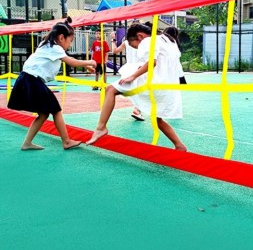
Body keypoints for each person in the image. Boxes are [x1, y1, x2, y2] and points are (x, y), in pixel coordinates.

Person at [87, 22, 187, 151]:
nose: (137, 48)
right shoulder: (167, 39)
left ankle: (101, 128)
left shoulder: (148, 40)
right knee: (157, 118)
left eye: (136, 45)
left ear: (140, 36)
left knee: (110, 89)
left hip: (154, 83)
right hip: (167, 86)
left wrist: (133, 76)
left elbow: (152, 63)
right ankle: (179, 145)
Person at [7, 17, 96, 150]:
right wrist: (89, 62)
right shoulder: (55, 48)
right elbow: (71, 61)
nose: (70, 45)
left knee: (44, 113)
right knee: (56, 109)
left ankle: (27, 143)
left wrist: (86, 66)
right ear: (61, 38)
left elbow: (68, 59)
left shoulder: (46, 44)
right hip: (32, 80)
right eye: (70, 41)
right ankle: (66, 141)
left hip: (27, 79)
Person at [110, 25, 144, 121]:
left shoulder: (126, 42)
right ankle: (137, 109)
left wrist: (113, 40)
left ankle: (137, 109)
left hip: (129, 68)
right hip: (139, 67)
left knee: (134, 89)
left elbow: (115, 51)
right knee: (139, 89)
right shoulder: (142, 41)